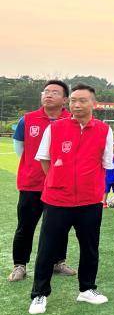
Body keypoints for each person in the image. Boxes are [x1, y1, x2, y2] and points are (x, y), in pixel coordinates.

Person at [28, 83, 114, 315]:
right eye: (73, 100)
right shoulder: (55, 128)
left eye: (82, 100)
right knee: (47, 248)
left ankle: (87, 289)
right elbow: (44, 159)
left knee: (89, 248)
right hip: (57, 199)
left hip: (90, 201)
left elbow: (105, 164)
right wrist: (60, 179)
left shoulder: (104, 130)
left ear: (93, 104)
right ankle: (39, 294)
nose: (76, 104)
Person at [9, 79, 76, 282]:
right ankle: (20, 265)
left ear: (65, 99)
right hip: (31, 184)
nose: (48, 94)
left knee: (60, 226)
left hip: (60, 185)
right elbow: (19, 148)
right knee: (25, 226)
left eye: (55, 92)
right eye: (46, 91)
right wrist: (33, 167)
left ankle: (58, 262)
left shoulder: (72, 120)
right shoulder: (27, 119)